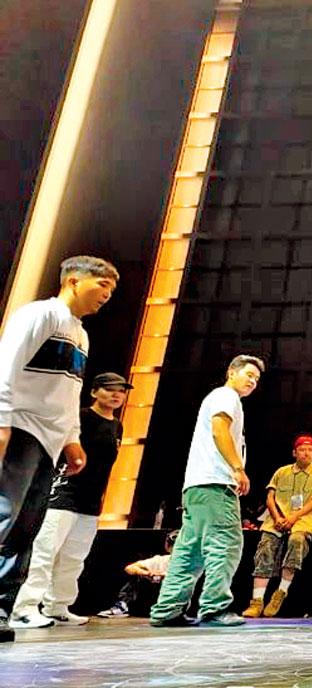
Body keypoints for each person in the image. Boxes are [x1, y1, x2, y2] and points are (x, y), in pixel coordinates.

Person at [0, 255, 117, 642]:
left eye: (111, 291)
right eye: (103, 286)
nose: (107, 295)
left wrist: (71, 438)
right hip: (21, 427)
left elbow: (70, 393)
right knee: (6, 515)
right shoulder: (39, 315)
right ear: (73, 280)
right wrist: (2, 422)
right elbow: (6, 366)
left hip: (51, 442)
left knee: (26, 527)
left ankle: (4, 607)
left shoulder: (80, 334)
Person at [150, 354, 264, 628]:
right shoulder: (226, 397)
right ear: (231, 372)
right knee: (227, 543)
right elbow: (219, 429)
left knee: (190, 551)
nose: (252, 381)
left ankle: (167, 609)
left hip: (196, 486)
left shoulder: (218, 397)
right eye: (248, 374)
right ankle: (215, 608)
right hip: (215, 483)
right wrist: (237, 468)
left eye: (256, 379)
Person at [9, 372, 129, 628]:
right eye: (110, 389)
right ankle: (24, 608)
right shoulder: (81, 418)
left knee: (74, 558)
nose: (117, 394)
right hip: (63, 494)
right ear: (95, 391)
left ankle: (58, 606)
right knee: (44, 553)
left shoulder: (118, 426)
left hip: (91, 502)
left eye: (121, 390)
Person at [242, 433, 312, 619]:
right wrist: (277, 517)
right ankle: (256, 601)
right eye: (302, 450)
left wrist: (294, 517)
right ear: (294, 452)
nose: (306, 453)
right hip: (276, 520)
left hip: (303, 521)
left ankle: (280, 592)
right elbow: (270, 497)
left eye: (310, 450)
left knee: (296, 542)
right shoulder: (282, 472)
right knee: (265, 549)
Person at [97, 531, 179, 618]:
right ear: (168, 547)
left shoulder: (192, 562)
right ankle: (123, 606)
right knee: (138, 574)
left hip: (178, 596)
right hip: (157, 597)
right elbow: (130, 568)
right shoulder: (161, 560)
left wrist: (166, 576)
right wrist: (148, 574)